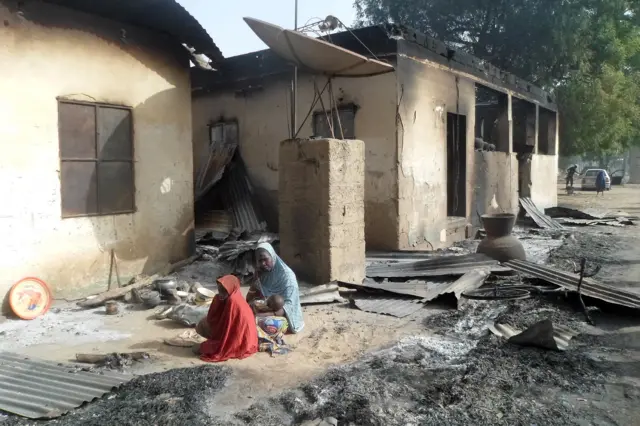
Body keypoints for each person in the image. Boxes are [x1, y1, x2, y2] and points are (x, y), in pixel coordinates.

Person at [195, 275, 258, 362]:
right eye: (219, 290)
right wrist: (217, 300)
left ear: (231, 289)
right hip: (238, 336)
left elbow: (229, 330)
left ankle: (213, 344)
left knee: (203, 349)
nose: (220, 294)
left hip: (242, 340)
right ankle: (213, 342)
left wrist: (216, 346)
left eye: (224, 291)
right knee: (203, 324)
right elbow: (213, 317)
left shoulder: (233, 301)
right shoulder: (231, 297)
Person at [247, 243, 305, 335]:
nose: (262, 263)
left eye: (265, 259)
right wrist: (256, 280)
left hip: (283, 316)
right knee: (247, 311)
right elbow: (249, 298)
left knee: (266, 324)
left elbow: (289, 308)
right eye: (259, 260)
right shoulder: (263, 273)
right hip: (267, 308)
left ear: (273, 256)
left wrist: (261, 315)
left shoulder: (287, 277)